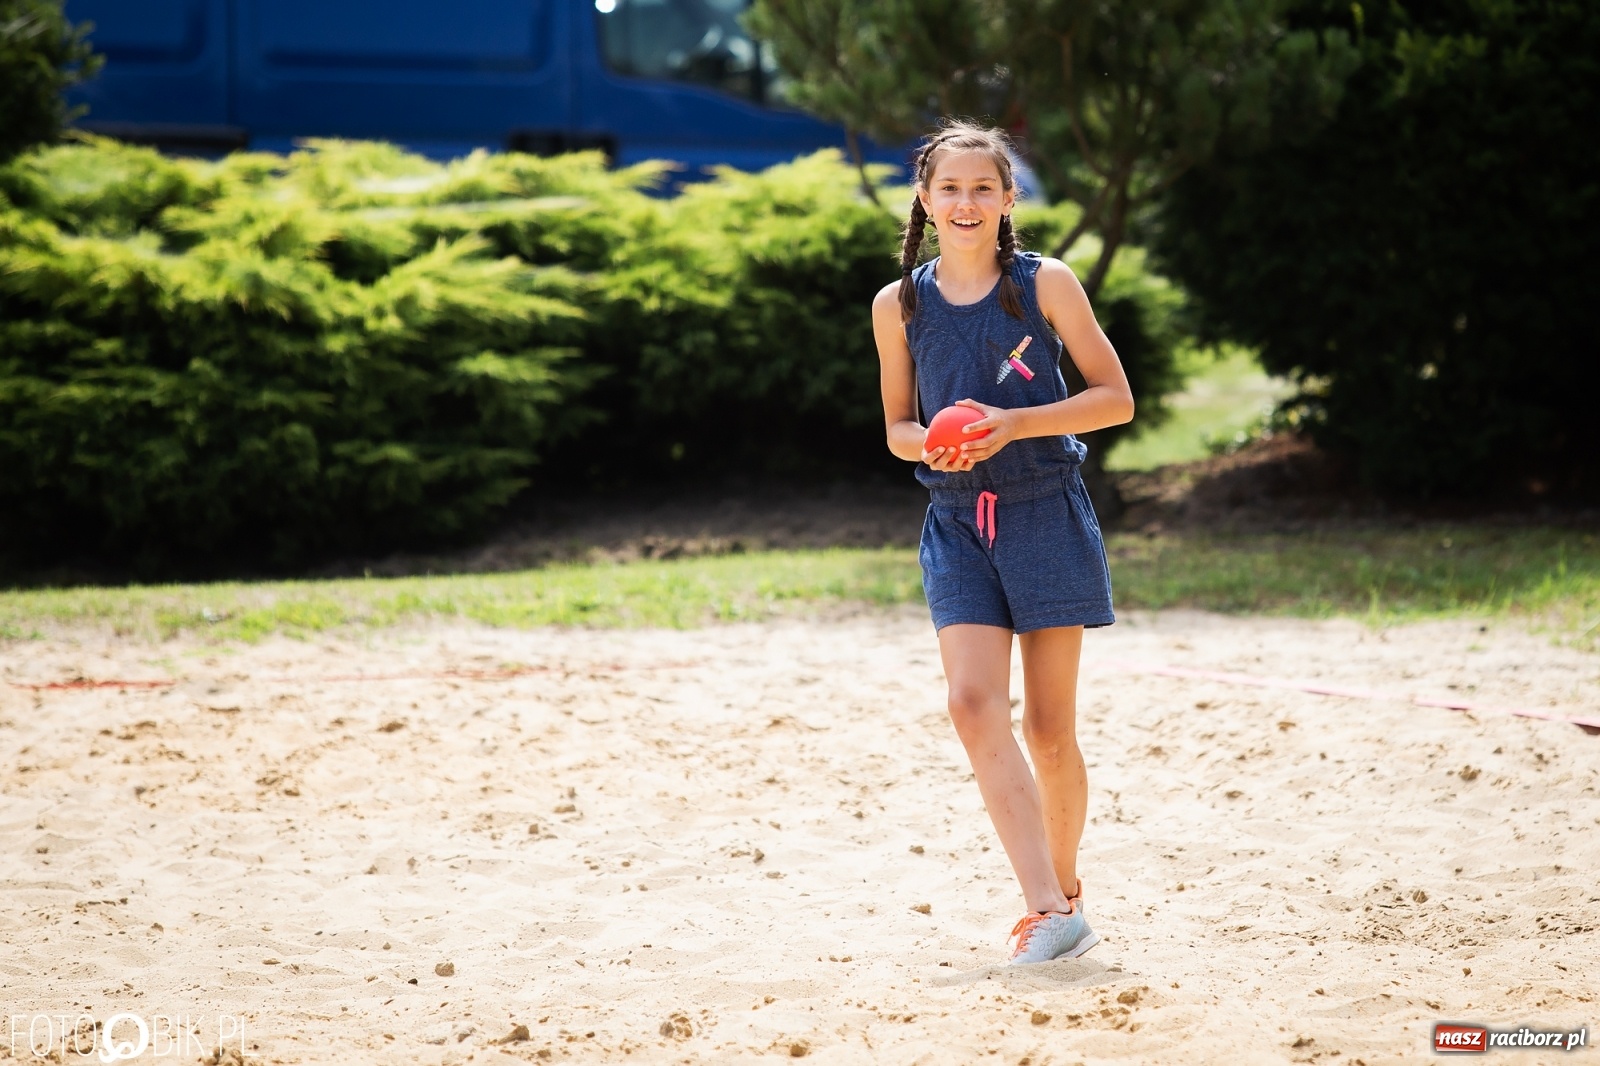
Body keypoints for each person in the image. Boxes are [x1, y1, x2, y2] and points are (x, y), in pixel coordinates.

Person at [871, 120, 1134, 965]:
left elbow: (1115, 398)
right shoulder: (898, 304)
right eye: (950, 187)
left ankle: (1065, 891)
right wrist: (937, 444)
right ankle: (1046, 908)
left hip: (1042, 509)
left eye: (984, 187)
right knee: (972, 704)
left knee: (1050, 730)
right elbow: (897, 429)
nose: (966, 202)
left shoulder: (1045, 283)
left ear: (1009, 199)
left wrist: (1012, 424)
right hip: (954, 521)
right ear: (924, 198)